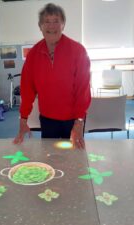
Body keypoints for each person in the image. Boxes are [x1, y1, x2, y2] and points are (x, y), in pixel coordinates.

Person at [13, 3, 91, 149]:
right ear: (40, 26)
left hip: (73, 119)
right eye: (46, 21)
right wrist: (23, 119)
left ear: (63, 25)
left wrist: (79, 122)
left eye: (56, 21)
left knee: (74, 159)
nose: (51, 26)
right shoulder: (34, 54)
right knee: (50, 158)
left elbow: (83, 90)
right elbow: (27, 90)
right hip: (48, 119)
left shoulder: (78, 51)